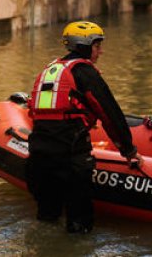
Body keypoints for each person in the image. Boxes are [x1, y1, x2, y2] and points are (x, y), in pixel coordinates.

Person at [26, 21, 138, 234]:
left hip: (39, 158)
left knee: (47, 219)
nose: (100, 51)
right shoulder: (85, 73)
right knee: (79, 227)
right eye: (97, 46)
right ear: (85, 46)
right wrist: (129, 150)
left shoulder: (49, 71)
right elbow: (109, 113)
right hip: (70, 158)